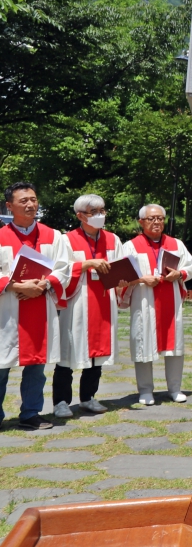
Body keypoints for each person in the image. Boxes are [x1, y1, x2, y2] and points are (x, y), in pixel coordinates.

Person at [0, 182, 70, 430]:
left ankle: (30, 413)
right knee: (1, 365)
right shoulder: (1, 237)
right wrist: (15, 286)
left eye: (34, 199)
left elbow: (64, 267)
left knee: (37, 365)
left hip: (41, 306)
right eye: (23, 201)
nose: (30, 204)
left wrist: (45, 284)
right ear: (10, 206)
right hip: (7, 310)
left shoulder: (54, 236)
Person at [54, 194, 124, 419]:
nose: (100, 215)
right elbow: (60, 270)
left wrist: (122, 279)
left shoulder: (113, 239)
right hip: (78, 302)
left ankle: (88, 397)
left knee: (97, 354)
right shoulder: (66, 240)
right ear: (80, 215)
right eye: (94, 212)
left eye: (102, 210)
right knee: (68, 352)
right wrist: (86, 264)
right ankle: (61, 401)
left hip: (104, 300)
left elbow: (121, 269)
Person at [118, 204, 192, 405]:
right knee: (143, 343)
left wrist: (179, 274)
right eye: (151, 219)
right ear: (141, 221)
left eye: (160, 218)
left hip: (170, 301)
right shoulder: (131, 246)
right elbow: (120, 275)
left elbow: (190, 266)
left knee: (174, 345)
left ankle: (175, 388)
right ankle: (145, 390)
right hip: (144, 301)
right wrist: (142, 279)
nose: (156, 222)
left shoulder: (176, 244)